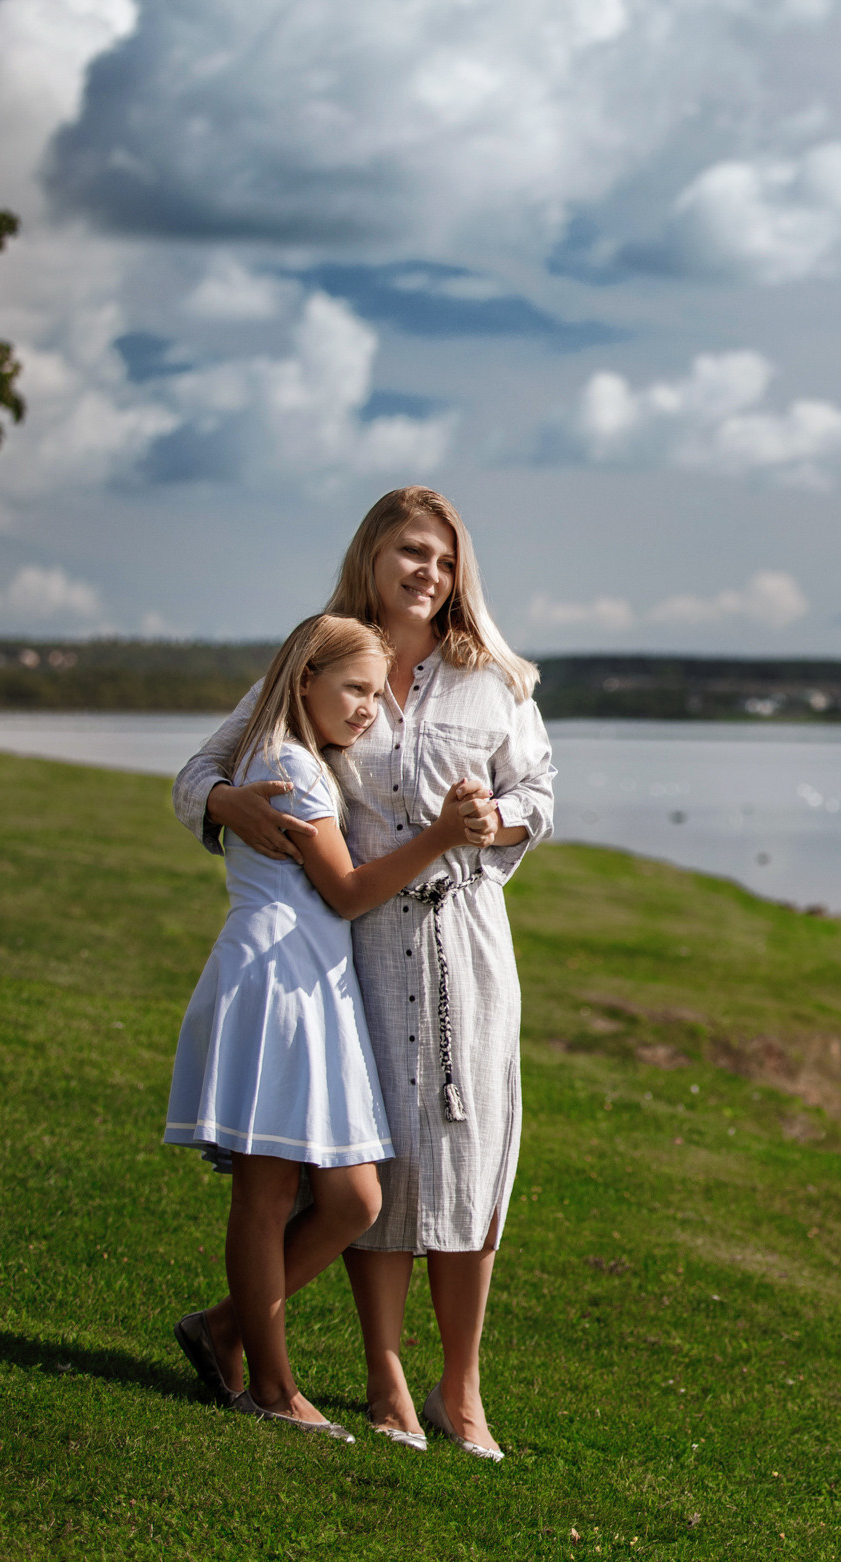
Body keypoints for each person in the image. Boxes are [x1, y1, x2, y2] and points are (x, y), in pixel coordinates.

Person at [174, 488, 554, 1461]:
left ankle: (458, 1390)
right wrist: (228, 801)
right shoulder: (329, 656)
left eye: (442, 556)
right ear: (373, 555)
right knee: (379, 1156)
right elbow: (196, 775)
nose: (426, 571)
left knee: (469, 1161)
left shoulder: (494, 679)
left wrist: (493, 822)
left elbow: (539, 796)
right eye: (408, 551)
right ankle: (385, 1378)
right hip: (362, 940)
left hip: (466, 933)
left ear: (459, 570)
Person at [166, 613, 487, 1440]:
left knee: (352, 1196)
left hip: (315, 983)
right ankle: (271, 1387)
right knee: (268, 1193)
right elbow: (346, 892)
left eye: (377, 695)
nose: (367, 710)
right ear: (304, 677)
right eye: (352, 689)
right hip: (275, 980)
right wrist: (443, 837)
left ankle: (226, 1327)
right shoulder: (285, 767)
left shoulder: (307, 760)